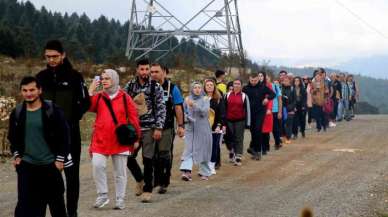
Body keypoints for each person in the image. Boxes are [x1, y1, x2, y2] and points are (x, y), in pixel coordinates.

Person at [36, 40, 90, 217]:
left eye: (55, 56)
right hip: (45, 137)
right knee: (48, 176)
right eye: (48, 56)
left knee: (71, 175)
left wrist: (72, 119)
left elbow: (85, 102)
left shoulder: (75, 77)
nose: (51, 60)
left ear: (63, 55)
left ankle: (72, 212)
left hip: (70, 134)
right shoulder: (41, 78)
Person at [8, 76, 69, 217]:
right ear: (21, 92)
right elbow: (13, 138)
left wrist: (60, 160)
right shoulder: (17, 113)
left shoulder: (52, 110)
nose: (28, 93)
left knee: (57, 207)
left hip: (50, 166)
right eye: (25, 90)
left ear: (39, 90)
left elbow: (64, 136)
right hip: (27, 167)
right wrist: (17, 155)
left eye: (32, 90)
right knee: (26, 208)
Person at [88, 69, 141, 210]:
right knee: (97, 165)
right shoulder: (99, 97)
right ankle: (103, 195)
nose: (104, 81)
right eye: (103, 78)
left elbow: (134, 118)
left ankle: (120, 198)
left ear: (115, 79)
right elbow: (86, 106)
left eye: (107, 78)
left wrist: (136, 138)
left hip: (120, 140)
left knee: (120, 172)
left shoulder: (125, 97)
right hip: (100, 139)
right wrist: (90, 90)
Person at [124, 59, 166, 203]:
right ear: (137, 70)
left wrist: (159, 127)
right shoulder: (129, 86)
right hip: (133, 128)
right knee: (127, 157)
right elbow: (122, 105)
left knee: (148, 159)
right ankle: (139, 179)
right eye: (142, 69)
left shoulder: (156, 87)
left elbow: (161, 108)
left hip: (149, 128)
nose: (145, 72)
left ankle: (147, 190)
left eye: (147, 69)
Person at [150, 64, 185, 194]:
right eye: (151, 72)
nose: (153, 74)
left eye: (156, 71)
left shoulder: (173, 88)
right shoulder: (147, 87)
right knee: (152, 155)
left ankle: (164, 181)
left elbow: (178, 108)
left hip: (166, 127)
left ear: (164, 72)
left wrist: (181, 126)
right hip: (150, 127)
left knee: (164, 154)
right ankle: (155, 178)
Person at [180, 81, 213, 180]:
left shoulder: (205, 99)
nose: (197, 89)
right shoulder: (187, 99)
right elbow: (182, 112)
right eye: (195, 88)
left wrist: (194, 105)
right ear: (192, 89)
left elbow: (204, 112)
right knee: (189, 149)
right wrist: (186, 118)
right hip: (190, 129)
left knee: (203, 149)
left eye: (199, 87)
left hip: (203, 128)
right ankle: (186, 172)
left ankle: (205, 172)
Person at [243, 72, 275, 160]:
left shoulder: (263, 87)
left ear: (258, 79)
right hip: (250, 113)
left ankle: (257, 151)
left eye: (255, 80)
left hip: (260, 112)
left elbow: (273, 94)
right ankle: (253, 148)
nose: (253, 82)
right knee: (253, 131)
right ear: (249, 79)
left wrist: (267, 98)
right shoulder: (245, 88)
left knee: (258, 129)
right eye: (252, 80)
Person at [225, 79, 251, 165]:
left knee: (239, 138)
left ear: (241, 86)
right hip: (228, 120)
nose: (236, 85)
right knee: (229, 138)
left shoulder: (244, 96)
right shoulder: (227, 95)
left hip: (240, 120)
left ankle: (238, 157)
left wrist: (248, 123)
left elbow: (248, 110)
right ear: (232, 85)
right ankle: (232, 151)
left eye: (238, 84)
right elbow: (223, 108)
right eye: (235, 84)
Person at [204, 78, 225, 174]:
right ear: (204, 87)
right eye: (207, 85)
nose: (209, 86)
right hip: (203, 128)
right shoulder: (201, 98)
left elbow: (221, 113)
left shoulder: (218, 99)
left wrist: (219, 125)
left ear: (214, 87)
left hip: (215, 127)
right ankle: (205, 165)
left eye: (211, 85)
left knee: (214, 147)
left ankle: (212, 165)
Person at [281, 75, 296, 143]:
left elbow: (295, 100)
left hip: (290, 109)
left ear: (289, 81)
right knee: (283, 124)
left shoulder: (292, 89)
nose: (285, 82)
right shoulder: (280, 89)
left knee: (289, 124)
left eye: (287, 81)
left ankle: (288, 138)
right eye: (284, 81)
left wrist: (291, 107)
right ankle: (284, 136)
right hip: (282, 108)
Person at [261, 76, 274, 154]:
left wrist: (269, 109)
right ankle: (262, 147)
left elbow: (271, 99)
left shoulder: (269, 87)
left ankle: (266, 147)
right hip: (259, 111)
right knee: (260, 131)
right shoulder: (259, 87)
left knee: (266, 131)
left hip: (267, 112)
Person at [270, 76, 283, 150]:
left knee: (275, 128)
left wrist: (280, 112)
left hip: (275, 110)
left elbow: (280, 100)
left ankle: (277, 142)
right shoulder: (263, 87)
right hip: (265, 111)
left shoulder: (275, 87)